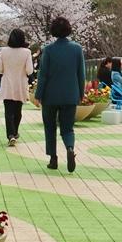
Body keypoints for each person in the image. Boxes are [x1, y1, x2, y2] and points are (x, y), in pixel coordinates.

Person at [34, 17, 84, 172]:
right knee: (68, 128)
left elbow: (43, 75)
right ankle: (69, 148)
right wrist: (80, 94)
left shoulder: (48, 49)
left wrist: (38, 94)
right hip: (70, 94)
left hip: (50, 96)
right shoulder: (77, 49)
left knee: (50, 127)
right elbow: (80, 74)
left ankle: (53, 158)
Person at [0, 28, 33, 146]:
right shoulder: (26, 52)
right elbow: (29, 70)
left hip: (7, 84)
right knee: (18, 111)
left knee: (8, 112)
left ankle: (10, 135)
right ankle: (15, 132)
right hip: (20, 84)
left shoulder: (3, 51)